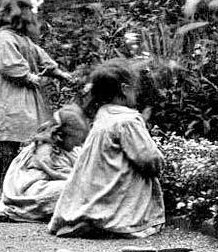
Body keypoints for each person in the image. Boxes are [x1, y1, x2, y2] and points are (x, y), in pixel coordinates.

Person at [48, 59, 166, 238]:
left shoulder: (102, 116)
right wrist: (158, 167)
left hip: (96, 192)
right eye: (135, 89)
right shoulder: (127, 120)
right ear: (125, 89)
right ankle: (115, 220)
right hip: (117, 194)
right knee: (139, 176)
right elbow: (147, 158)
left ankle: (93, 217)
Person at [0, 0, 74, 188]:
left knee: (18, 136)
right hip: (6, 99)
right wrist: (30, 76)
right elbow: (9, 66)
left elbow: (40, 56)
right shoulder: (4, 39)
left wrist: (58, 73)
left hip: (20, 98)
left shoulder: (22, 39)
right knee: (9, 140)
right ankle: (4, 179)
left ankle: (13, 176)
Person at [0, 104, 89, 223]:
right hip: (31, 190)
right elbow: (56, 173)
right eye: (75, 142)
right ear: (60, 136)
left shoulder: (64, 148)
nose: (78, 145)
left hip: (47, 183)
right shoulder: (44, 150)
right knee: (71, 190)